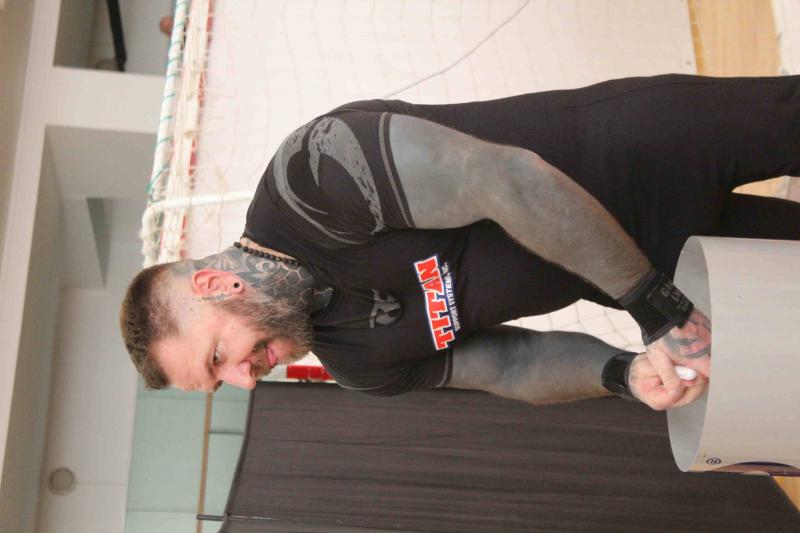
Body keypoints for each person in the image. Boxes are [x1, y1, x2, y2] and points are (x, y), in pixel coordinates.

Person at [120, 74, 800, 411]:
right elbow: (507, 365)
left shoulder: (311, 180)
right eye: (221, 382)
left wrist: (660, 311)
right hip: (659, 270)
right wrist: (620, 375)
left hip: (643, 149)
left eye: (219, 357)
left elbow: (503, 179)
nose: (246, 377)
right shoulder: (358, 363)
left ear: (216, 285)